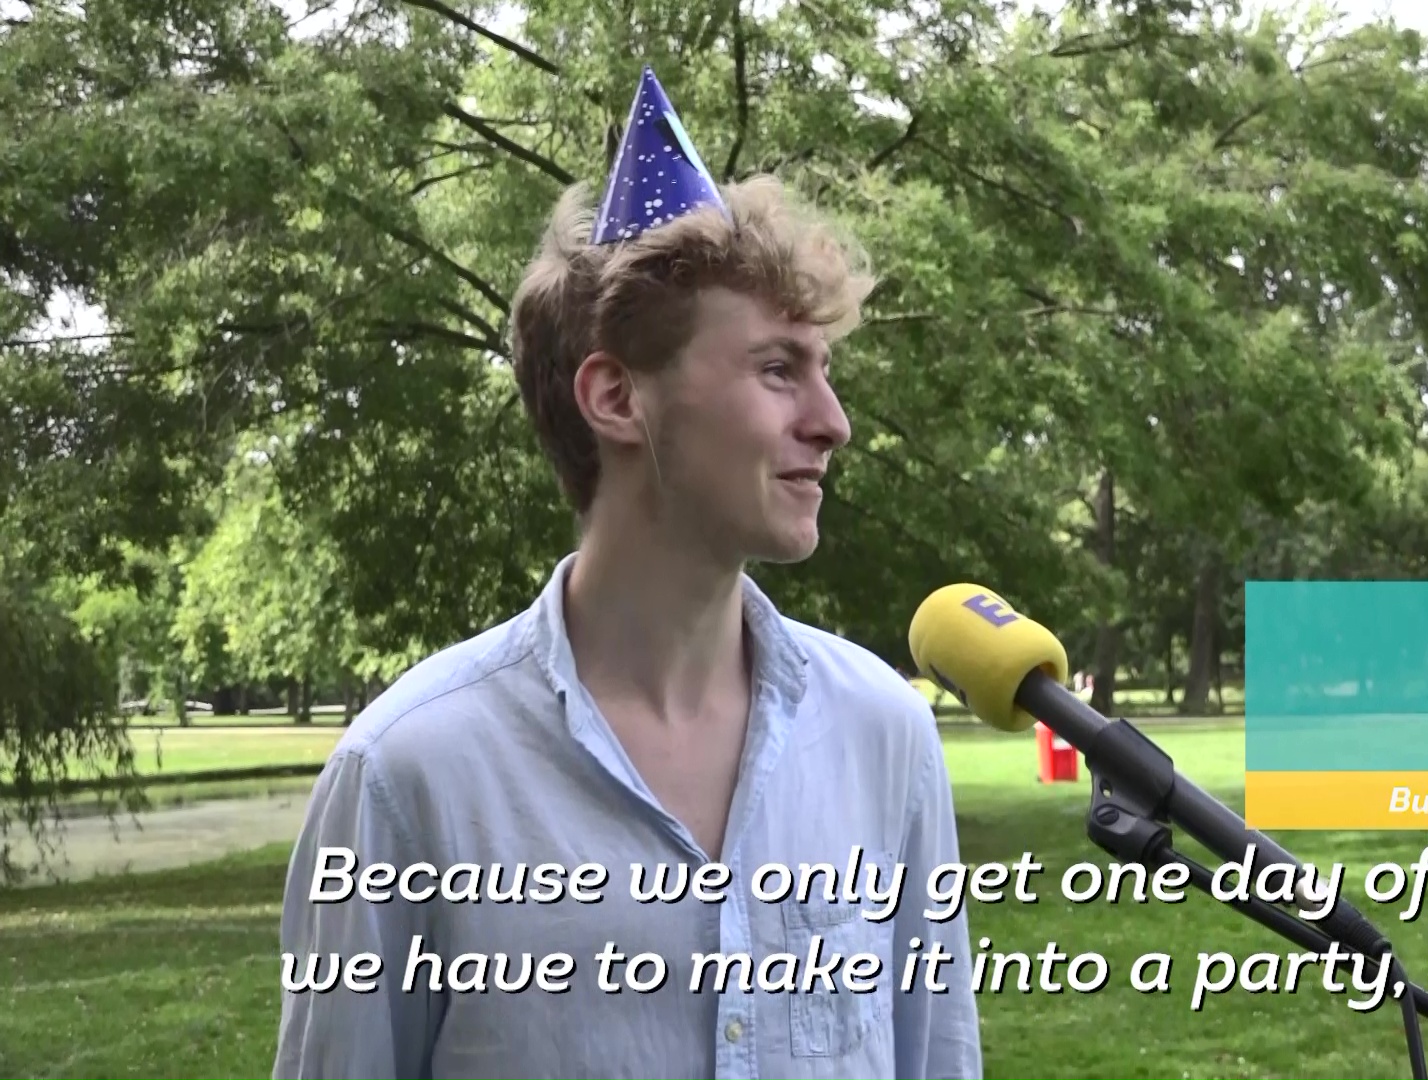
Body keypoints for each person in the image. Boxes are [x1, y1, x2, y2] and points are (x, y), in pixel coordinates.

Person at [272, 67, 982, 1080]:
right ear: (616, 399)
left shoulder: (884, 735)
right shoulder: (407, 776)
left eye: (824, 370)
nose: (834, 423)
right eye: (778, 369)